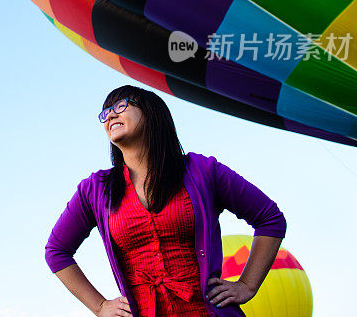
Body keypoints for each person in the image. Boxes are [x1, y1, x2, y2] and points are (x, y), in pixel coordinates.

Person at [44, 85, 286, 317]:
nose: (110, 115)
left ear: (151, 114)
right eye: (105, 112)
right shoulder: (95, 189)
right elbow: (56, 251)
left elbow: (270, 219)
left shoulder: (203, 171)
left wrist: (247, 285)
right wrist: (99, 306)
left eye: (120, 106)